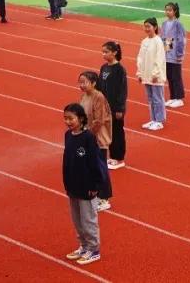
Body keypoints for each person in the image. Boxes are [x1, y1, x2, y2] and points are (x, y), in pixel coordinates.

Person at [62, 103, 106, 266]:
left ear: (80, 119)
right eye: (65, 118)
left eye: (71, 118)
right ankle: (83, 245)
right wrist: (66, 182)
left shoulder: (88, 137)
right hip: (73, 185)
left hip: (87, 187)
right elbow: (67, 161)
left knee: (88, 219)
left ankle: (93, 249)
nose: (68, 121)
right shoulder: (68, 135)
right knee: (77, 220)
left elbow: (95, 162)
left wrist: (95, 185)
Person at [77, 71, 114, 212]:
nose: (82, 85)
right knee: (91, 167)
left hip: (98, 138)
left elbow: (99, 120)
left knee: (100, 168)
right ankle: (95, 193)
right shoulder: (85, 96)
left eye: (84, 82)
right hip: (88, 136)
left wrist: (88, 135)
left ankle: (104, 198)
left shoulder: (98, 97)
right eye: (80, 82)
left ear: (93, 83)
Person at [98, 42, 127, 170]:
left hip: (115, 108)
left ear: (114, 52)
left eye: (106, 52)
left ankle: (119, 158)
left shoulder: (119, 70)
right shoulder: (104, 67)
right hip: (105, 106)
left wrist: (120, 108)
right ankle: (112, 155)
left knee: (117, 132)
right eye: (102, 52)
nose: (103, 54)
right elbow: (100, 85)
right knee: (108, 132)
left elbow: (122, 90)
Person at [136, 18, 167, 131]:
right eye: (145, 26)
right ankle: (153, 119)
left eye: (149, 26)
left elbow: (159, 59)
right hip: (146, 75)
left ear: (155, 27)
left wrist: (155, 74)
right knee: (150, 98)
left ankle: (159, 120)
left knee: (157, 98)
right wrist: (139, 73)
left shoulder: (158, 41)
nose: (147, 29)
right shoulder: (144, 41)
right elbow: (140, 58)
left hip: (155, 76)